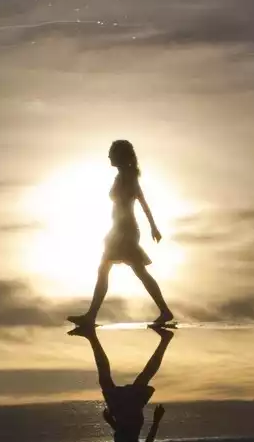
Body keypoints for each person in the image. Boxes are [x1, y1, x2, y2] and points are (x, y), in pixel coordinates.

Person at [67, 139, 175, 328]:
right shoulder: (124, 176)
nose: (109, 156)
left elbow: (142, 202)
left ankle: (91, 316)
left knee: (115, 270)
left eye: (112, 152)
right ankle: (163, 310)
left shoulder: (128, 177)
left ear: (120, 156)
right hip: (120, 230)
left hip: (124, 231)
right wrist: (152, 227)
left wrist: (153, 227)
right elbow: (143, 202)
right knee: (128, 271)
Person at [72, 324, 173, 442]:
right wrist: (157, 420)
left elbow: (123, 439)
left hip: (122, 419)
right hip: (130, 418)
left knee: (112, 379)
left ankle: (91, 336)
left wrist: (111, 423)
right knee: (134, 379)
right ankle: (165, 339)